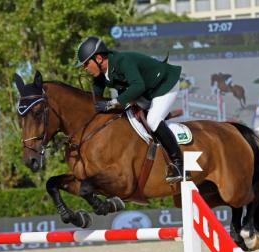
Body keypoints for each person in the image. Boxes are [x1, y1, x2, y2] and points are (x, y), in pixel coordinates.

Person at [76, 36, 187, 184]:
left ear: (99, 59)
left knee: (153, 120)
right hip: (146, 93)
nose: (85, 68)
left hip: (164, 85)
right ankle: (162, 114)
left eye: (86, 63)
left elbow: (138, 86)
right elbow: (95, 100)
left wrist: (111, 103)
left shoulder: (122, 61)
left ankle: (179, 163)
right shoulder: (101, 75)